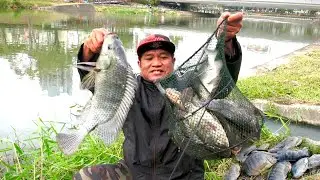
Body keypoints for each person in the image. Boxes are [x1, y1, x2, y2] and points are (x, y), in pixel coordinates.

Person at [74, 12, 243, 180]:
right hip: (135, 173)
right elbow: (97, 79)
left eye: (163, 57)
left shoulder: (189, 87)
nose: (156, 63)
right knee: (85, 177)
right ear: (139, 64)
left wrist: (226, 42)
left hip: (182, 175)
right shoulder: (126, 87)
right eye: (149, 58)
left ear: (173, 61)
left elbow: (218, 80)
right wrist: (89, 51)